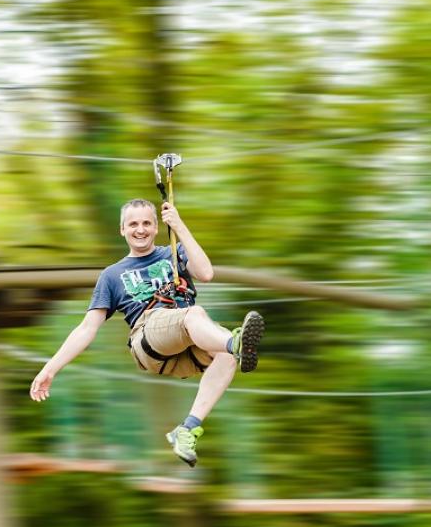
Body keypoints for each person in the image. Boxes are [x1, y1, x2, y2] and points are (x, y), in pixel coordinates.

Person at [29, 198, 264, 467]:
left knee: (224, 355)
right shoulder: (112, 275)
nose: (140, 230)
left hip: (183, 350)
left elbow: (206, 273)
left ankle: (187, 429)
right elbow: (86, 328)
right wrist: (51, 367)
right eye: (133, 224)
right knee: (198, 317)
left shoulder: (174, 252)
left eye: (146, 224)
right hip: (148, 339)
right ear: (122, 230)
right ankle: (236, 342)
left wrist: (180, 226)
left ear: (155, 228)